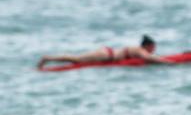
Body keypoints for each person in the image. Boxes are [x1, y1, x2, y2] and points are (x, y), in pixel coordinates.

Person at [37, 35, 173, 69]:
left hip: (106, 55)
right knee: (76, 59)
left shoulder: (140, 50)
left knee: (76, 60)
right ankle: (47, 58)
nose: (154, 50)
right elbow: (148, 58)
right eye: (153, 47)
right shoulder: (140, 50)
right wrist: (167, 62)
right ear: (148, 45)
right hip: (106, 55)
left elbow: (149, 57)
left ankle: (48, 59)